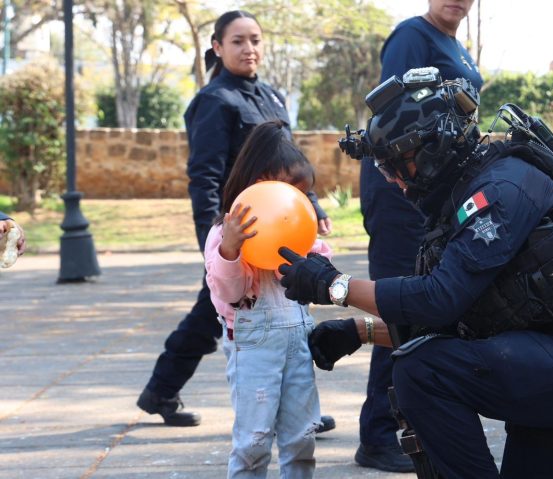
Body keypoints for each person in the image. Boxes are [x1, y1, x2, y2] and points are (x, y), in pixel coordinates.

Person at [277, 69, 553, 478]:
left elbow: (439, 299)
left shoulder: (499, 190)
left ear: (432, 149)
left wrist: (334, 285)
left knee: (423, 370)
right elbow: (462, 320)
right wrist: (359, 331)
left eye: (398, 167)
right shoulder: (478, 186)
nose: (396, 182)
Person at [137, 10, 335, 432]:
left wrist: (312, 206)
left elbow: (289, 164)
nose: (249, 49)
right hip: (237, 234)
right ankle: (165, 390)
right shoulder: (215, 101)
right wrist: (213, 243)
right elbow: (204, 176)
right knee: (214, 312)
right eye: (238, 41)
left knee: (260, 311)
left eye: (255, 40)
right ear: (218, 47)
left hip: (277, 232)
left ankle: (162, 390)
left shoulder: (272, 97)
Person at [357, 0, 481, 472]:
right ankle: (377, 434)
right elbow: (393, 119)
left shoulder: (455, 46)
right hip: (401, 195)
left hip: (434, 195)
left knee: (428, 310)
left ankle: (412, 424)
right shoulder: (412, 36)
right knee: (400, 305)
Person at [205, 121, 324, 478]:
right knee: (254, 442)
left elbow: (321, 277)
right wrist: (231, 250)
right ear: (258, 186)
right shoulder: (224, 235)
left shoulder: (300, 234)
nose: (296, 206)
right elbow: (228, 294)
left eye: (304, 197)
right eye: (291, 194)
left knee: (302, 437)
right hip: (253, 351)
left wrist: (313, 258)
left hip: (297, 347)